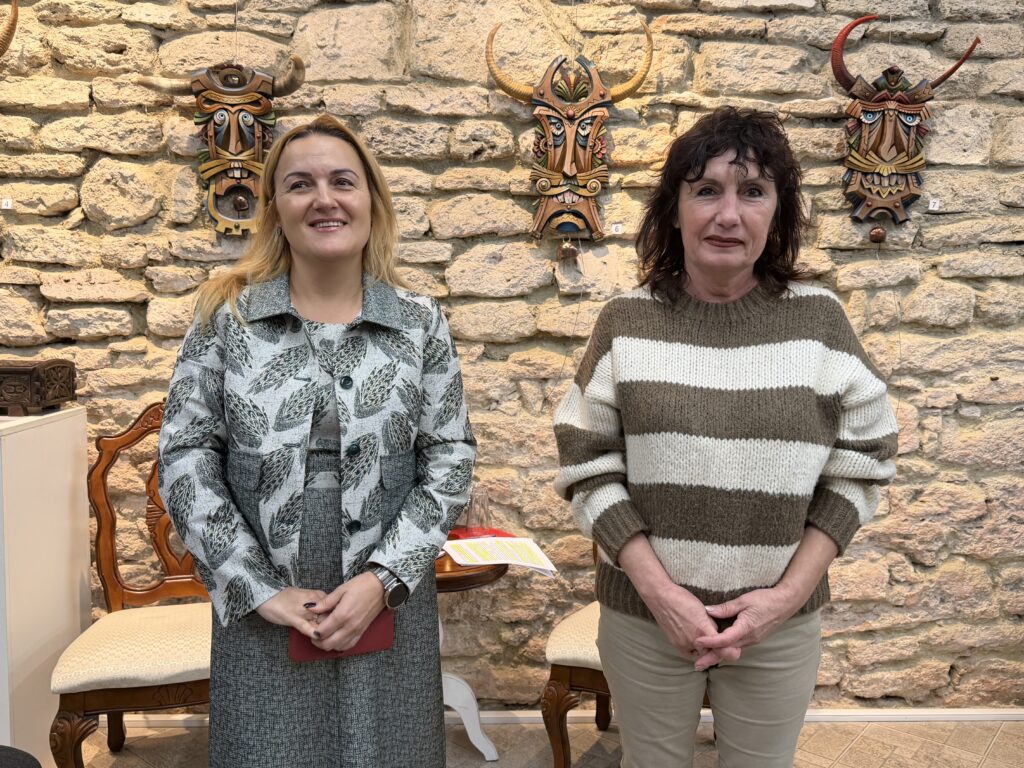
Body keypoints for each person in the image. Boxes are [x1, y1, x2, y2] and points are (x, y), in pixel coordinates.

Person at [553, 106, 898, 767]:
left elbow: (865, 460)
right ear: (674, 209)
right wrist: (662, 595)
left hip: (778, 624)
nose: (728, 215)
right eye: (706, 190)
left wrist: (785, 598)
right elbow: (587, 464)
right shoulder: (625, 323)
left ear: (779, 212)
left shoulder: (821, 323)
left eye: (753, 191)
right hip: (645, 618)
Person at [158, 114, 475, 768]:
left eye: (343, 182)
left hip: (387, 591)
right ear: (274, 208)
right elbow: (186, 457)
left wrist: (383, 579)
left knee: (389, 752)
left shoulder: (419, 322)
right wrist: (257, 587)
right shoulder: (227, 319)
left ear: (372, 202)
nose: (324, 199)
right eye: (300, 184)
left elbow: (449, 458)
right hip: (265, 597)